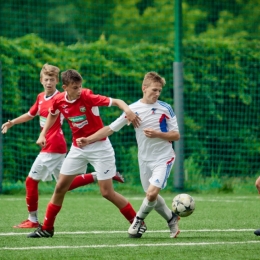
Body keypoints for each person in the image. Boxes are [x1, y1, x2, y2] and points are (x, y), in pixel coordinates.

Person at [1, 64, 124, 229]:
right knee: (64, 184)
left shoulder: (62, 97)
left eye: (52, 79)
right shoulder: (40, 97)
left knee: (32, 181)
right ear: (41, 81)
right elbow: (31, 114)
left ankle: (34, 220)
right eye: (46, 79)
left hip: (55, 144)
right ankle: (98, 175)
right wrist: (12, 123)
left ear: (58, 82)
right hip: (53, 145)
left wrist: (44, 135)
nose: (49, 82)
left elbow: (61, 114)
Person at [27, 69, 145, 238]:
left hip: (100, 148)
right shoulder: (59, 100)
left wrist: (128, 110)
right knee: (60, 187)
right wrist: (43, 133)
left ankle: (137, 221)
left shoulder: (88, 96)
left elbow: (117, 101)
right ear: (65, 87)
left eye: (80, 86)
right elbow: (53, 115)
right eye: (75, 87)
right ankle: (47, 228)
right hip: (78, 148)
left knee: (107, 193)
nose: (79, 90)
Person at [76, 71, 181, 238]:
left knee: (151, 194)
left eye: (159, 91)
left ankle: (138, 220)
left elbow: (176, 135)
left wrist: (157, 134)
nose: (157, 94)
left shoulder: (165, 108)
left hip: (164, 157)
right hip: (144, 159)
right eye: (154, 90)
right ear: (144, 88)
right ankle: (171, 218)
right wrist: (88, 140)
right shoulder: (133, 109)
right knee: (151, 196)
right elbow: (111, 128)